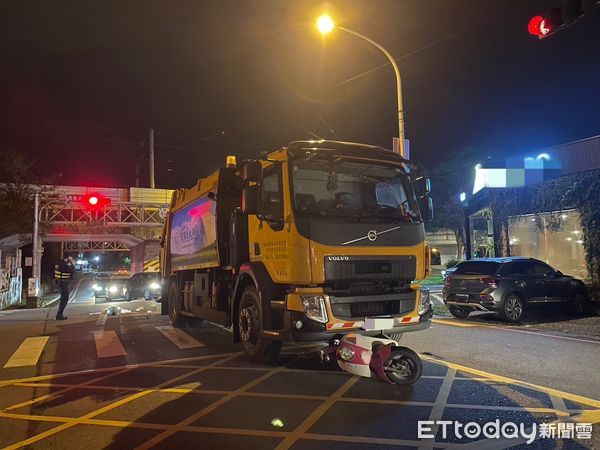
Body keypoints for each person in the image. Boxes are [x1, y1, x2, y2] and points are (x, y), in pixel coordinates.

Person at [54, 256, 75, 320]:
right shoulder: (64, 265)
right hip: (64, 283)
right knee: (64, 299)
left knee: (63, 298)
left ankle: (60, 314)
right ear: (68, 258)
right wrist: (73, 265)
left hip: (61, 282)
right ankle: (59, 315)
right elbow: (72, 272)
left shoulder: (59, 264)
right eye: (71, 258)